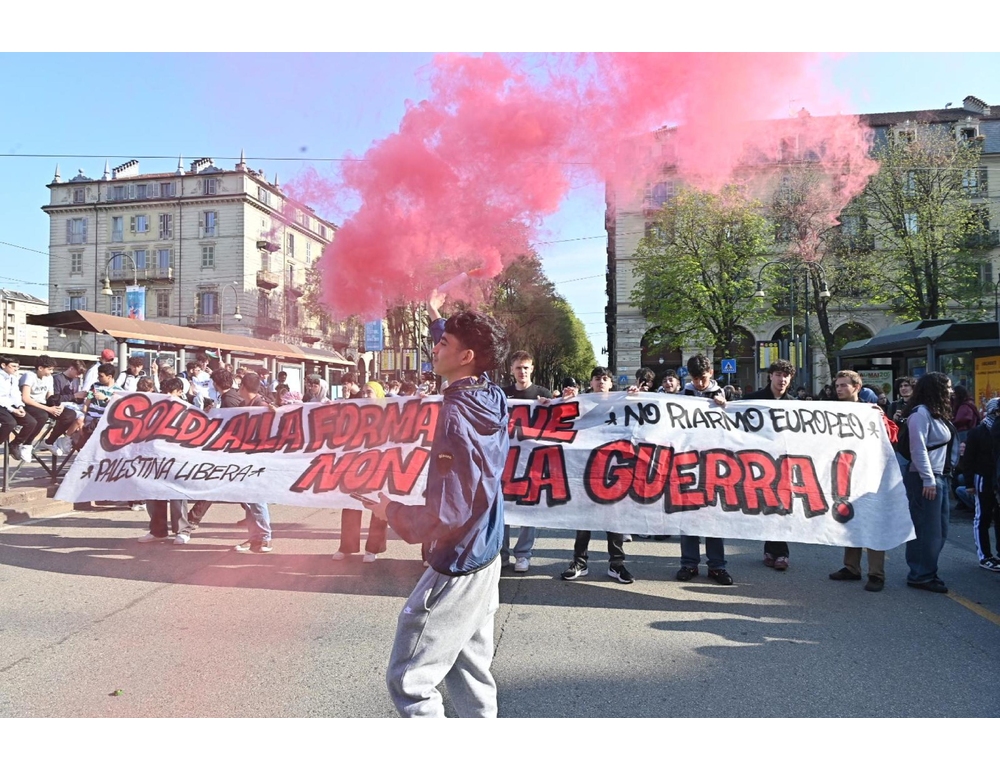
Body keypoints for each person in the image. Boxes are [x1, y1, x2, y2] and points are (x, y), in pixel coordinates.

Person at [364, 289, 509, 718]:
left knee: (410, 680)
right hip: (487, 549)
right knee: (469, 670)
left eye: (442, 343)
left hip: (459, 557)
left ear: (466, 357)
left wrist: (389, 510)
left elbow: (447, 513)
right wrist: (435, 315)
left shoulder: (454, 414)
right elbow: (468, 353)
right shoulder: (492, 396)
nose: (434, 346)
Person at [561, 366, 634, 584]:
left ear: (611, 383)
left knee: (615, 520)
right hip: (585, 470)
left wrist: (636, 397)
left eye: (605, 379)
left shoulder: (624, 403)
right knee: (584, 519)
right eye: (597, 378)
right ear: (591, 383)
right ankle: (580, 562)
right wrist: (563, 401)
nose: (601, 382)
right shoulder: (581, 403)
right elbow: (563, 422)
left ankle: (616, 564)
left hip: (615, 470)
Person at [828, 370, 897, 592]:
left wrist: (880, 418)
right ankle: (851, 567)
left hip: (871, 476)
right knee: (850, 522)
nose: (838, 389)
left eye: (843, 385)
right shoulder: (831, 410)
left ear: (857, 387)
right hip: (846, 475)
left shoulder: (870, 412)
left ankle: (876, 573)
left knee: (874, 523)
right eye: (837, 385)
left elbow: (892, 437)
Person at [676, 354, 733, 585]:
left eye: (703, 378)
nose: (699, 383)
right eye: (695, 378)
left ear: (711, 373)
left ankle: (717, 566)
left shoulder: (726, 394)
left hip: (716, 464)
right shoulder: (683, 395)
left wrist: (726, 408)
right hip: (688, 463)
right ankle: (689, 564)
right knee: (688, 516)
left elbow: (739, 427)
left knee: (713, 516)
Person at [900, 372, 955, 593]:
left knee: (938, 529)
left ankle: (927, 570)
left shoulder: (935, 413)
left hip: (938, 477)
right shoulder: (920, 414)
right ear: (936, 389)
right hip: (925, 479)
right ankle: (920, 574)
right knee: (926, 529)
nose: (951, 391)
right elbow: (918, 449)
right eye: (948, 387)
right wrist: (928, 480)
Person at [501, 351, 552, 574]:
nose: (522, 371)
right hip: (504, 461)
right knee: (502, 509)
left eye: (526, 367)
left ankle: (523, 554)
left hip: (532, 462)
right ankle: (500, 553)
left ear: (532, 369)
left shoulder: (542, 394)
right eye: (518, 367)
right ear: (511, 370)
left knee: (527, 510)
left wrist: (551, 404)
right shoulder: (502, 394)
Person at [746, 359, 796, 571]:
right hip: (759, 462)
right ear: (770, 376)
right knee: (767, 505)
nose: (782, 379)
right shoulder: (752, 400)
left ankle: (781, 552)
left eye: (786, 376)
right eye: (778, 375)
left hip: (787, 462)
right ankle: (770, 548)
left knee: (782, 505)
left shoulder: (795, 404)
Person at [333, 381, 390, 563]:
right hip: (355, 466)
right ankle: (347, 547)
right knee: (350, 506)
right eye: (363, 392)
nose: (365, 396)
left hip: (380, 466)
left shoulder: (392, 413)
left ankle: (373, 548)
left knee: (378, 508)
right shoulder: (353, 413)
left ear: (379, 395)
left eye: (369, 393)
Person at [232, 372, 274, 554]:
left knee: (257, 499)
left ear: (243, 387)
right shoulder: (244, 405)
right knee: (250, 499)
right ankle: (255, 537)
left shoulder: (262, 406)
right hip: (246, 457)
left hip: (259, 459)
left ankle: (264, 538)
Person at [958, 398, 1000, 571]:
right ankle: (985, 556)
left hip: (997, 478)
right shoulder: (978, 432)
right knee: (982, 516)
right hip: (982, 477)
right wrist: (969, 483)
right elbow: (968, 459)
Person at [18, 354, 78, 460]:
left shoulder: (49, 378)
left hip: (44, 404)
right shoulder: (29, 376)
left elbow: (50, 396)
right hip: (30, 404)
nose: (51, 372)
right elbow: (25, 398)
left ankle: (49, 441)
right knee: (42, 416)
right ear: (40, 368)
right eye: (49, 369)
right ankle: (27, 444)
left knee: (70, 414)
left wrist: (58, 406)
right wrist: (48, 409)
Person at [0, 356, 37, 463]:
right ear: (3, 365)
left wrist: (20, 406)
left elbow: (16, 394)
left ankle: (15, 444)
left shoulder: (13, 377)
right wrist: (12, 410)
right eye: (13, 366)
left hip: (11, 404)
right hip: (2, 405)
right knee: (10, 423)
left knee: (31, 422)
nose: (16, 369)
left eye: (17, 366)